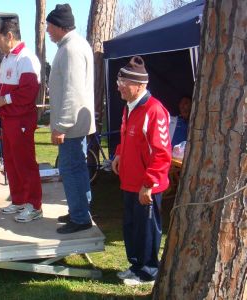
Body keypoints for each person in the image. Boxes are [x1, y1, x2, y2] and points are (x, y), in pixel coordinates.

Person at [111, 56, 172, 286]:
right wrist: (118, 153)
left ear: (139, 85)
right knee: (131, 226)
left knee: (146, 228)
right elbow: (127, 135)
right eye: (119, 81)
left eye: (123, 82)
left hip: (146, 185)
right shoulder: (129, 106)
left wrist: (149, 183)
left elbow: (162, 152)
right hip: (129, 181)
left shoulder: (154, 111)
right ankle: (136, 265)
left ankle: (148, 271)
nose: (119, 87)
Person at [0, 18, 43, 223]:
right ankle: (19, 199)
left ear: (9, 36)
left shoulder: (26, 58)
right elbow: (5, 88)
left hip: (21, 119)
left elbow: (29, 91)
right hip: (8, 118)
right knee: (11, 161)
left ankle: (34, 204)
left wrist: (4, 99)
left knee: (24, 161)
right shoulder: (8, 58)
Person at [46, 3, 96, 234]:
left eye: (49, 26)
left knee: (71, 169)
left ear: (59, 26)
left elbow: (72, 91)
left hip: (72, 126)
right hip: (76, 124)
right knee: (77, 168)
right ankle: (80, 210)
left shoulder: (71, 49)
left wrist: (61, 125)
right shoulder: (71, 45)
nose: (47, 31)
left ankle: (80, 216)